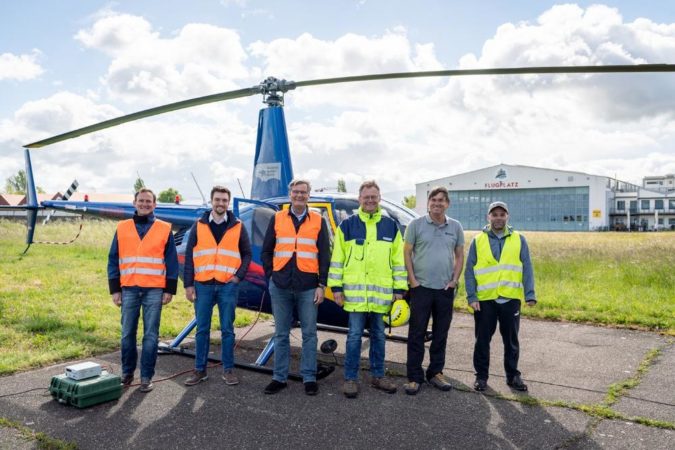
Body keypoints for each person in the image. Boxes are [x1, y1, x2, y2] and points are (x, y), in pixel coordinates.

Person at [328, 180, 408, 398]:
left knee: (379, 337)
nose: (370, 200)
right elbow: (337, 259)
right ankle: (350, 378)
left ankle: (378, 376)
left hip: (381, 297)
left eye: (374, 197)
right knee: (354, 337)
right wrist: (336, 287)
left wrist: (399, 289)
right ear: (359, 199)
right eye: (366, 197)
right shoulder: (347, 226)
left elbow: (398, 261)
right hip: (355, 297)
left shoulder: (390, 226)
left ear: (379, 198)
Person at [261, 179, 331, 395]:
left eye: (303, 192)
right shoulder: (277, 218)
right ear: (290, 194)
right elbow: (266, 250)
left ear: (309, 195)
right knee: (281, 334)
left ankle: (309, 377)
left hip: (308, 287)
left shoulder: (318, 220)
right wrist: (271, 275)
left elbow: (325, 255)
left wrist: (321, 285)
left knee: (309, 334)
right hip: (280, 285)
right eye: (296, 192)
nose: (299, 195)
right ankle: (279, 377)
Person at [108, 188, 179, 393]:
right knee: (127, 334)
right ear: (134, 203)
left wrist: (169, 289)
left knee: (150, 336)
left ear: (154, 205)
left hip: (154, 290)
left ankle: (146, 377)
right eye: (141, 201)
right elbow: (113, 259)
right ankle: (127, 373)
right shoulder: (122, 227)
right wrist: (115, 289)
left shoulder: (164, 228)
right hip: (129, 288)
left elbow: (172, 262)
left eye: (149, 201)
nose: (145, 204)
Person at [183, 186, 252, 386]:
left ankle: (228, 370)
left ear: (228, 203)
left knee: (227, 330)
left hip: (227, 286)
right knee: (202, 330)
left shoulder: (238, 226)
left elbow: (247, 254)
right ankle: (200, 370)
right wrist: (188, 284)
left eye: (224, 200)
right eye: (217, 200)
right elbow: (189, 256)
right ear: (211, 201)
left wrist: (238, 277)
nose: (220, 203)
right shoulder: (199, 225)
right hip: (202, 285)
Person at [465, 201, 536, 392]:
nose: (498, 218)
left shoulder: (519, 239)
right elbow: (469, 270)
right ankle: (481, 377)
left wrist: (529, 294)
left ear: (507, 217)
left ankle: (513, 376)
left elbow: (527, 267)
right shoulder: (478, 240)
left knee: (511, 341)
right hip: (484, 300)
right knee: (482, 341)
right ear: (488, 217)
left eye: (502, 214)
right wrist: (472, 296)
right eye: (494, 214)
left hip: (510, 299)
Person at [403, 186, 464, 395]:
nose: (437, 203)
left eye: (441, 200)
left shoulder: (455, 226)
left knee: (441, 333)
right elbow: (407, 253)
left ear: (447, 204)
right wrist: (413, 281)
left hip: (444, 289)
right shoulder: (416, 224)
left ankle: (435, 372)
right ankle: (414, 377)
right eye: (434, 200)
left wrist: (454, 280)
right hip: (420, 288)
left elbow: (459, 255)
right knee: (416, 333)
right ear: (429, 203)